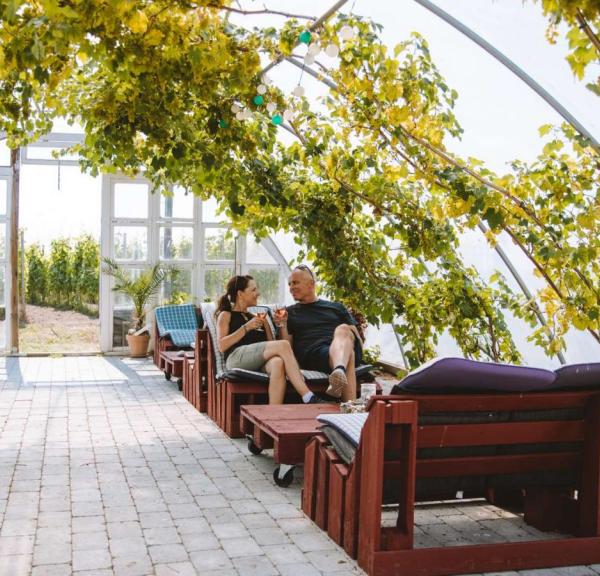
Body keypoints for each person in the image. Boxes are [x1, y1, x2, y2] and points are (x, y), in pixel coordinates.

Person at [215, 275, 327, 405]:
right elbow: (222, 346)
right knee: (283, 345)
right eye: (253, 290)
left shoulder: (257, 318)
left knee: (278, 363)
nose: (258, 293)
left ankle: (274, 411)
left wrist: (275, 325)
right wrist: (246, 327)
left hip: (257, 361)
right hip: (236, 358)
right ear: (240, 294)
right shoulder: (226, 315)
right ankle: (308, 396)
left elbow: (272, 345)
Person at [277, 265, 363, 401]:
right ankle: (340, 376)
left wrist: (347, 334)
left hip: (341, 345)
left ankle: (338, 372)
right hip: (314, 354)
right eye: (289, 284)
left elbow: (357, 338)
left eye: (295, 282)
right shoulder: (289, 313)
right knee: (348, 354)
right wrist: (282, 324)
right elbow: (287, 346)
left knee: (343, 329)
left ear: (311, 284)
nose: (291, 287)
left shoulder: (336, 308)